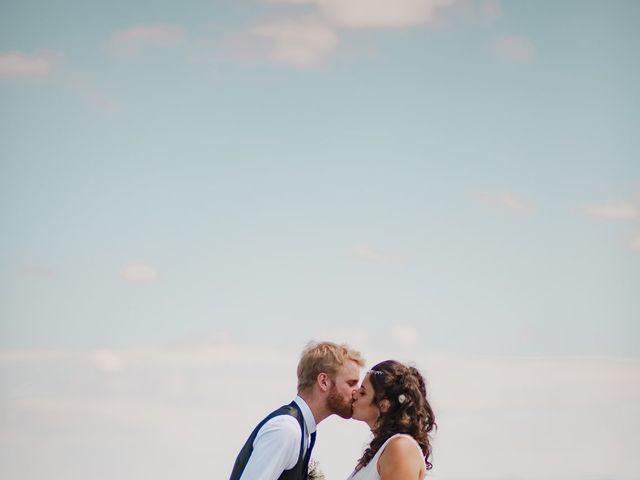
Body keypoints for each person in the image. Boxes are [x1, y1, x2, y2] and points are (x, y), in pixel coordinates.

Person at [229, 341, 365, 480]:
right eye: (351, 383)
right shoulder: (286, 429)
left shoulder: (301, 430)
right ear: (323, 381)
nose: (357, 392)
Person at [347, 360, 436, 480]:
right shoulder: (381, 450)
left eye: (362, 392)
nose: (354, 395)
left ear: (384, 406)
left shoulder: (401, 448)